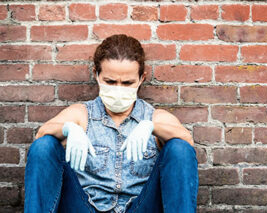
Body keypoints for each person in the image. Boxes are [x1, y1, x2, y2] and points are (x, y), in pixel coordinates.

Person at [24, 34, 199, 213]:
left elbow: (187, 145)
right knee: (44, 145)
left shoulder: (154, 117)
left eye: (127, 82)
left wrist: (152, 127)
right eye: (110, 81)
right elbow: (41, 140)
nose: (118, 88)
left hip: (140, 207)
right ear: (97, 75)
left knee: (179, 147)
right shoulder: (82, 114)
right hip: (85, 207)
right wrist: (68, 129)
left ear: (141, 79)